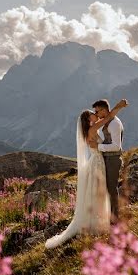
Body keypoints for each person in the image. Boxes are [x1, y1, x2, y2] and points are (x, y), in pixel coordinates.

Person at [44, 99, 129, 250]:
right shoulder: (93, 129)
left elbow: (108, 118)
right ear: (89, 119)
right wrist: (119, 106)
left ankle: (101, 219)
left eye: (96, 112)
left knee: (98, 193)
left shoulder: (90, 129)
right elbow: (109, 117)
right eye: (93, 114)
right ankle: (102, 221)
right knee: (102, 192)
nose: (95, 115)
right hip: (98, 163)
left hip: (98, 161)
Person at [93, 99, 125, 222]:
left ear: (104, 110)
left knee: (112, 188)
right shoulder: (107, 121)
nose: (96, 115)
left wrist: (98, 147)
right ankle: (109, 215)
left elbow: (117, 146)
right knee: (106, 188)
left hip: (113, 159)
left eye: (97, 112)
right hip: (107, 159)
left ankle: (115, 218)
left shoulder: (115, 124)